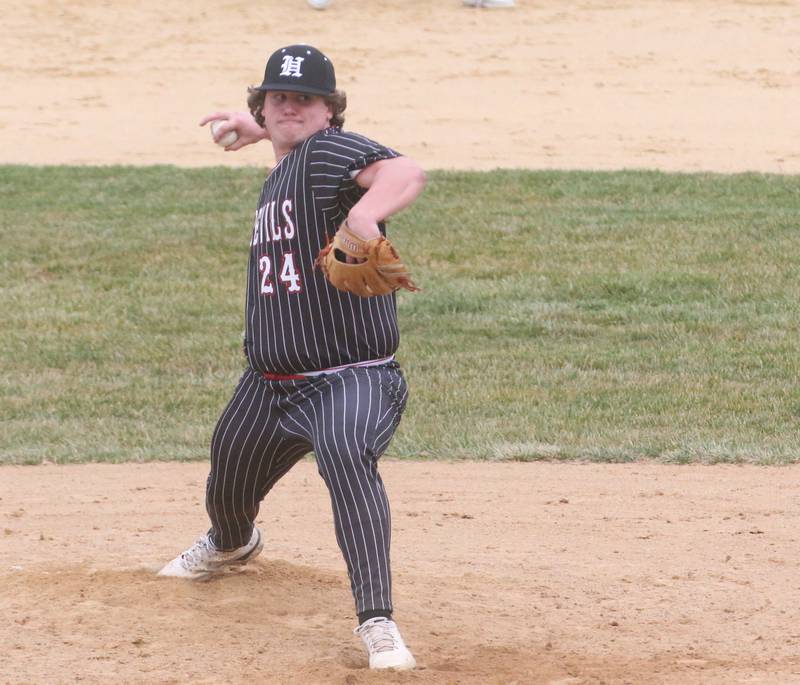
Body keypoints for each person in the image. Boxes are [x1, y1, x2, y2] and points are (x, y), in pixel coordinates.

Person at [157, 44, 426, 672]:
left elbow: (404, 172)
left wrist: (364, 214)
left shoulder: (330, 151)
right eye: (279, 97)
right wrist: (266, 130)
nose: (291, 106)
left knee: (344, 455)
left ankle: (377, 621)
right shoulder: (291, 159)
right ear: (263, 106)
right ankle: (232, 544)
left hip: (349, 379)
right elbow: (290, 137)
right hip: (269, 385)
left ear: (331, 110)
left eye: (306, 99)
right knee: (227, 486)